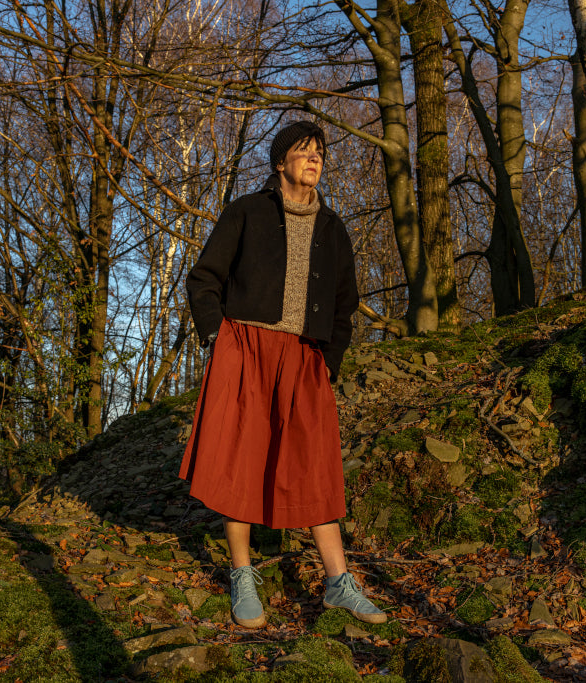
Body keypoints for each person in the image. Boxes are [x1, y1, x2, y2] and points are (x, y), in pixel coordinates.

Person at [178, 120, 386, 628]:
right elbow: (204, 278)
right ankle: (242, 574)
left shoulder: (333, 229)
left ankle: (338, 582)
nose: (314, 159)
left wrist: (327, 361)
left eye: (319, 153)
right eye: (303, 151)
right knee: (240, 458)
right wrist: (217, 339)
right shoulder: (246, 212)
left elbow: (344, 305)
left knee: (313, 460)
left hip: (304, 358)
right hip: (245, 348)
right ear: (279, 162)